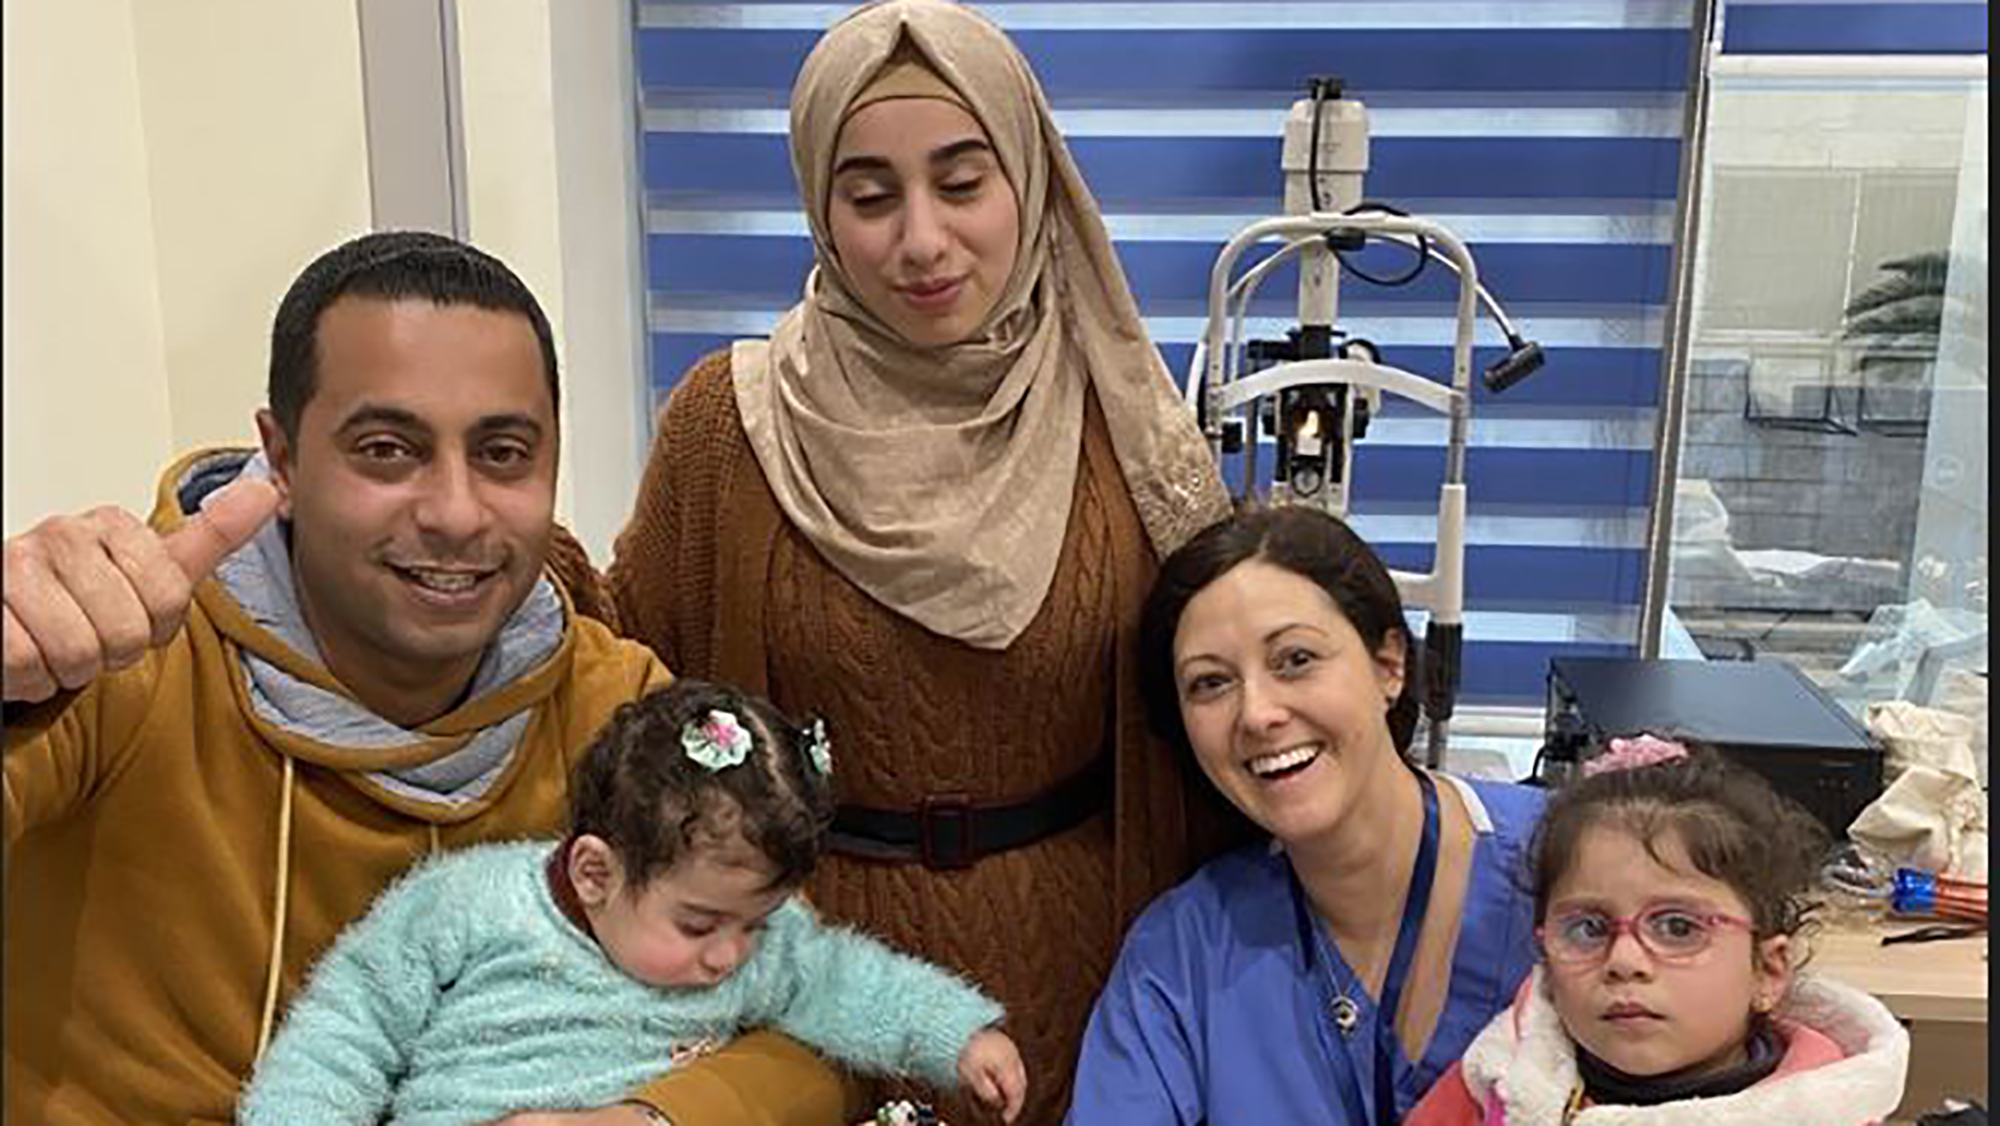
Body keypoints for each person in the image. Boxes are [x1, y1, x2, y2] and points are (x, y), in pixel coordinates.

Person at [3, 231, 851, 1126]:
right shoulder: (120, 663)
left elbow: (808, 1024)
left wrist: (649, 1117)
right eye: (385, 449)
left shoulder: (612, 710)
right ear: (281, 459)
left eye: (503, 455)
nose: (454, 513)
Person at [602, 2, 1230, 1121]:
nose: (922, 242)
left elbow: (1219, 718)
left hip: (1094, 982)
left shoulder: (1126, 426)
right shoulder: (728, 424)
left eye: (960, 180)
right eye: (870, 193)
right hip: (801, 992)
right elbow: (622, 687)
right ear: (820, 210)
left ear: (1029, 182)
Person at [239, 678, 1028, 1125]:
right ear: (594, 874)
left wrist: (955, 1037)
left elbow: (851, 982)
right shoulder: (466, 905)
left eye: (753, 924)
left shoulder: (759, 945)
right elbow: (345, 1033)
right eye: (698, 924)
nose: (730, 955)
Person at [1066, 504, 1549, 1125]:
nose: (1258, 714)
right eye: (1211, 683)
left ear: (1389, 664)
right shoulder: (1185, 952)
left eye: (1295, 659)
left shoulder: (1575, 870)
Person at [1406, 737, 1909, 1125]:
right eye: (1587, 928)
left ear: (1768, 971)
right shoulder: (1500, 1080)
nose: (1624, 960)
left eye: (1677, 927)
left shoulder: (1828, 1111)